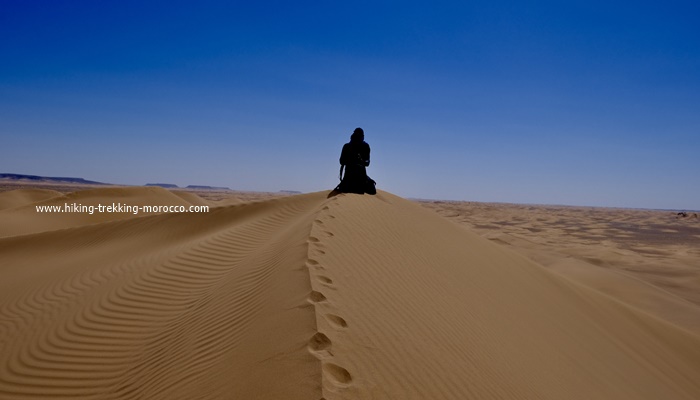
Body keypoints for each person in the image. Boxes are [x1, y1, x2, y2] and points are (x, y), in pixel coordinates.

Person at [336, 127, 375, 195]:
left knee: (372, 190)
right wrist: (350, 160)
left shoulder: (365, 146)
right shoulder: (347, 146)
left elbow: (367, 163)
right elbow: (341, 161)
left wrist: (360, 161)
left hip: (361, 176)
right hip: (349, 176)